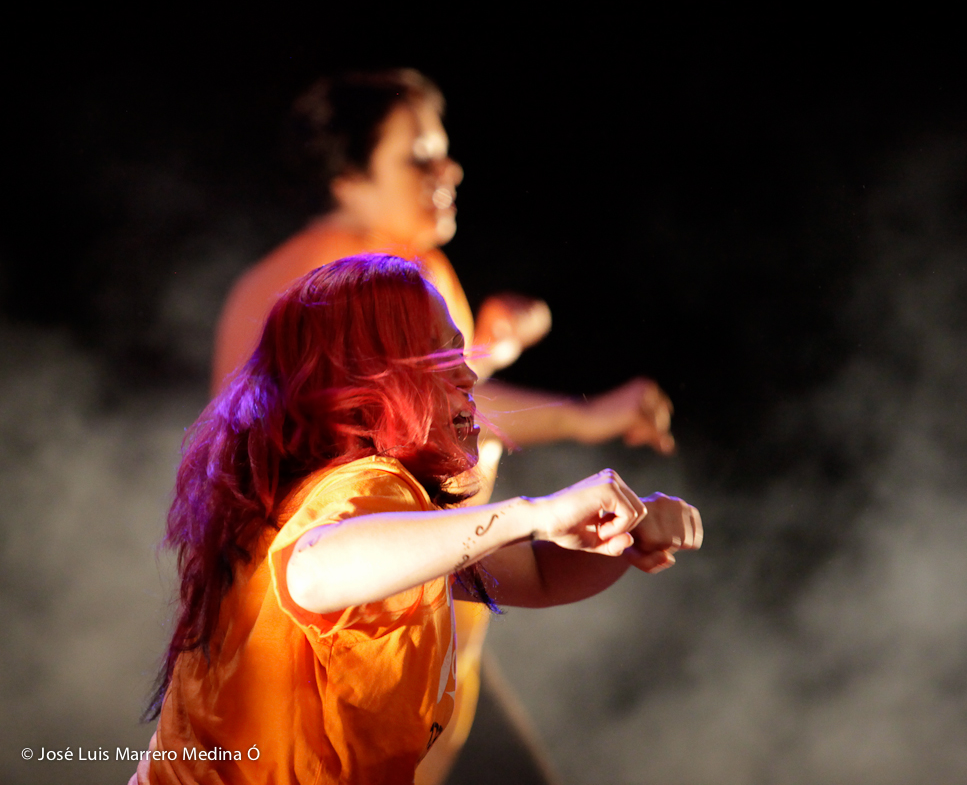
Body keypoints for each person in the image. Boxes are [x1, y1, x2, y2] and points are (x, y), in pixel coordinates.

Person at [209, 69, 677, 783]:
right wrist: (549, 478)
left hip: (425, 617)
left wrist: (505, 365)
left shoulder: (414, 269)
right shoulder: (326, 288)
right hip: (333, 659)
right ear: (347, 178)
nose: (448, 170)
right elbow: (314, 551)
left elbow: (450, 420)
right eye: (418, 157)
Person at [134, 255, 701, 784]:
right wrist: (534, 513)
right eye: (442, 358)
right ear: (365, 383)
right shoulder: (360, 485)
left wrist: (627, 532)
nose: (469, 378)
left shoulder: (399, 517)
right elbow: (312, 569)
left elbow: (541, 575)